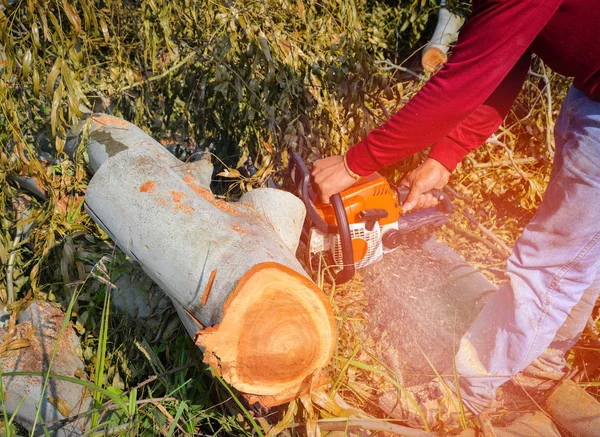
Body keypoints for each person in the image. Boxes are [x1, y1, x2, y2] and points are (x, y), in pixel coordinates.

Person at [312, 0, 600, 427]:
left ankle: (461, 395)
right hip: (591, 91)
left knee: (550, 262)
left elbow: (462, 82)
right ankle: (539, 363)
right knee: (583, 252)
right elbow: (501, 65)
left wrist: (358, 161)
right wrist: (444, 158)